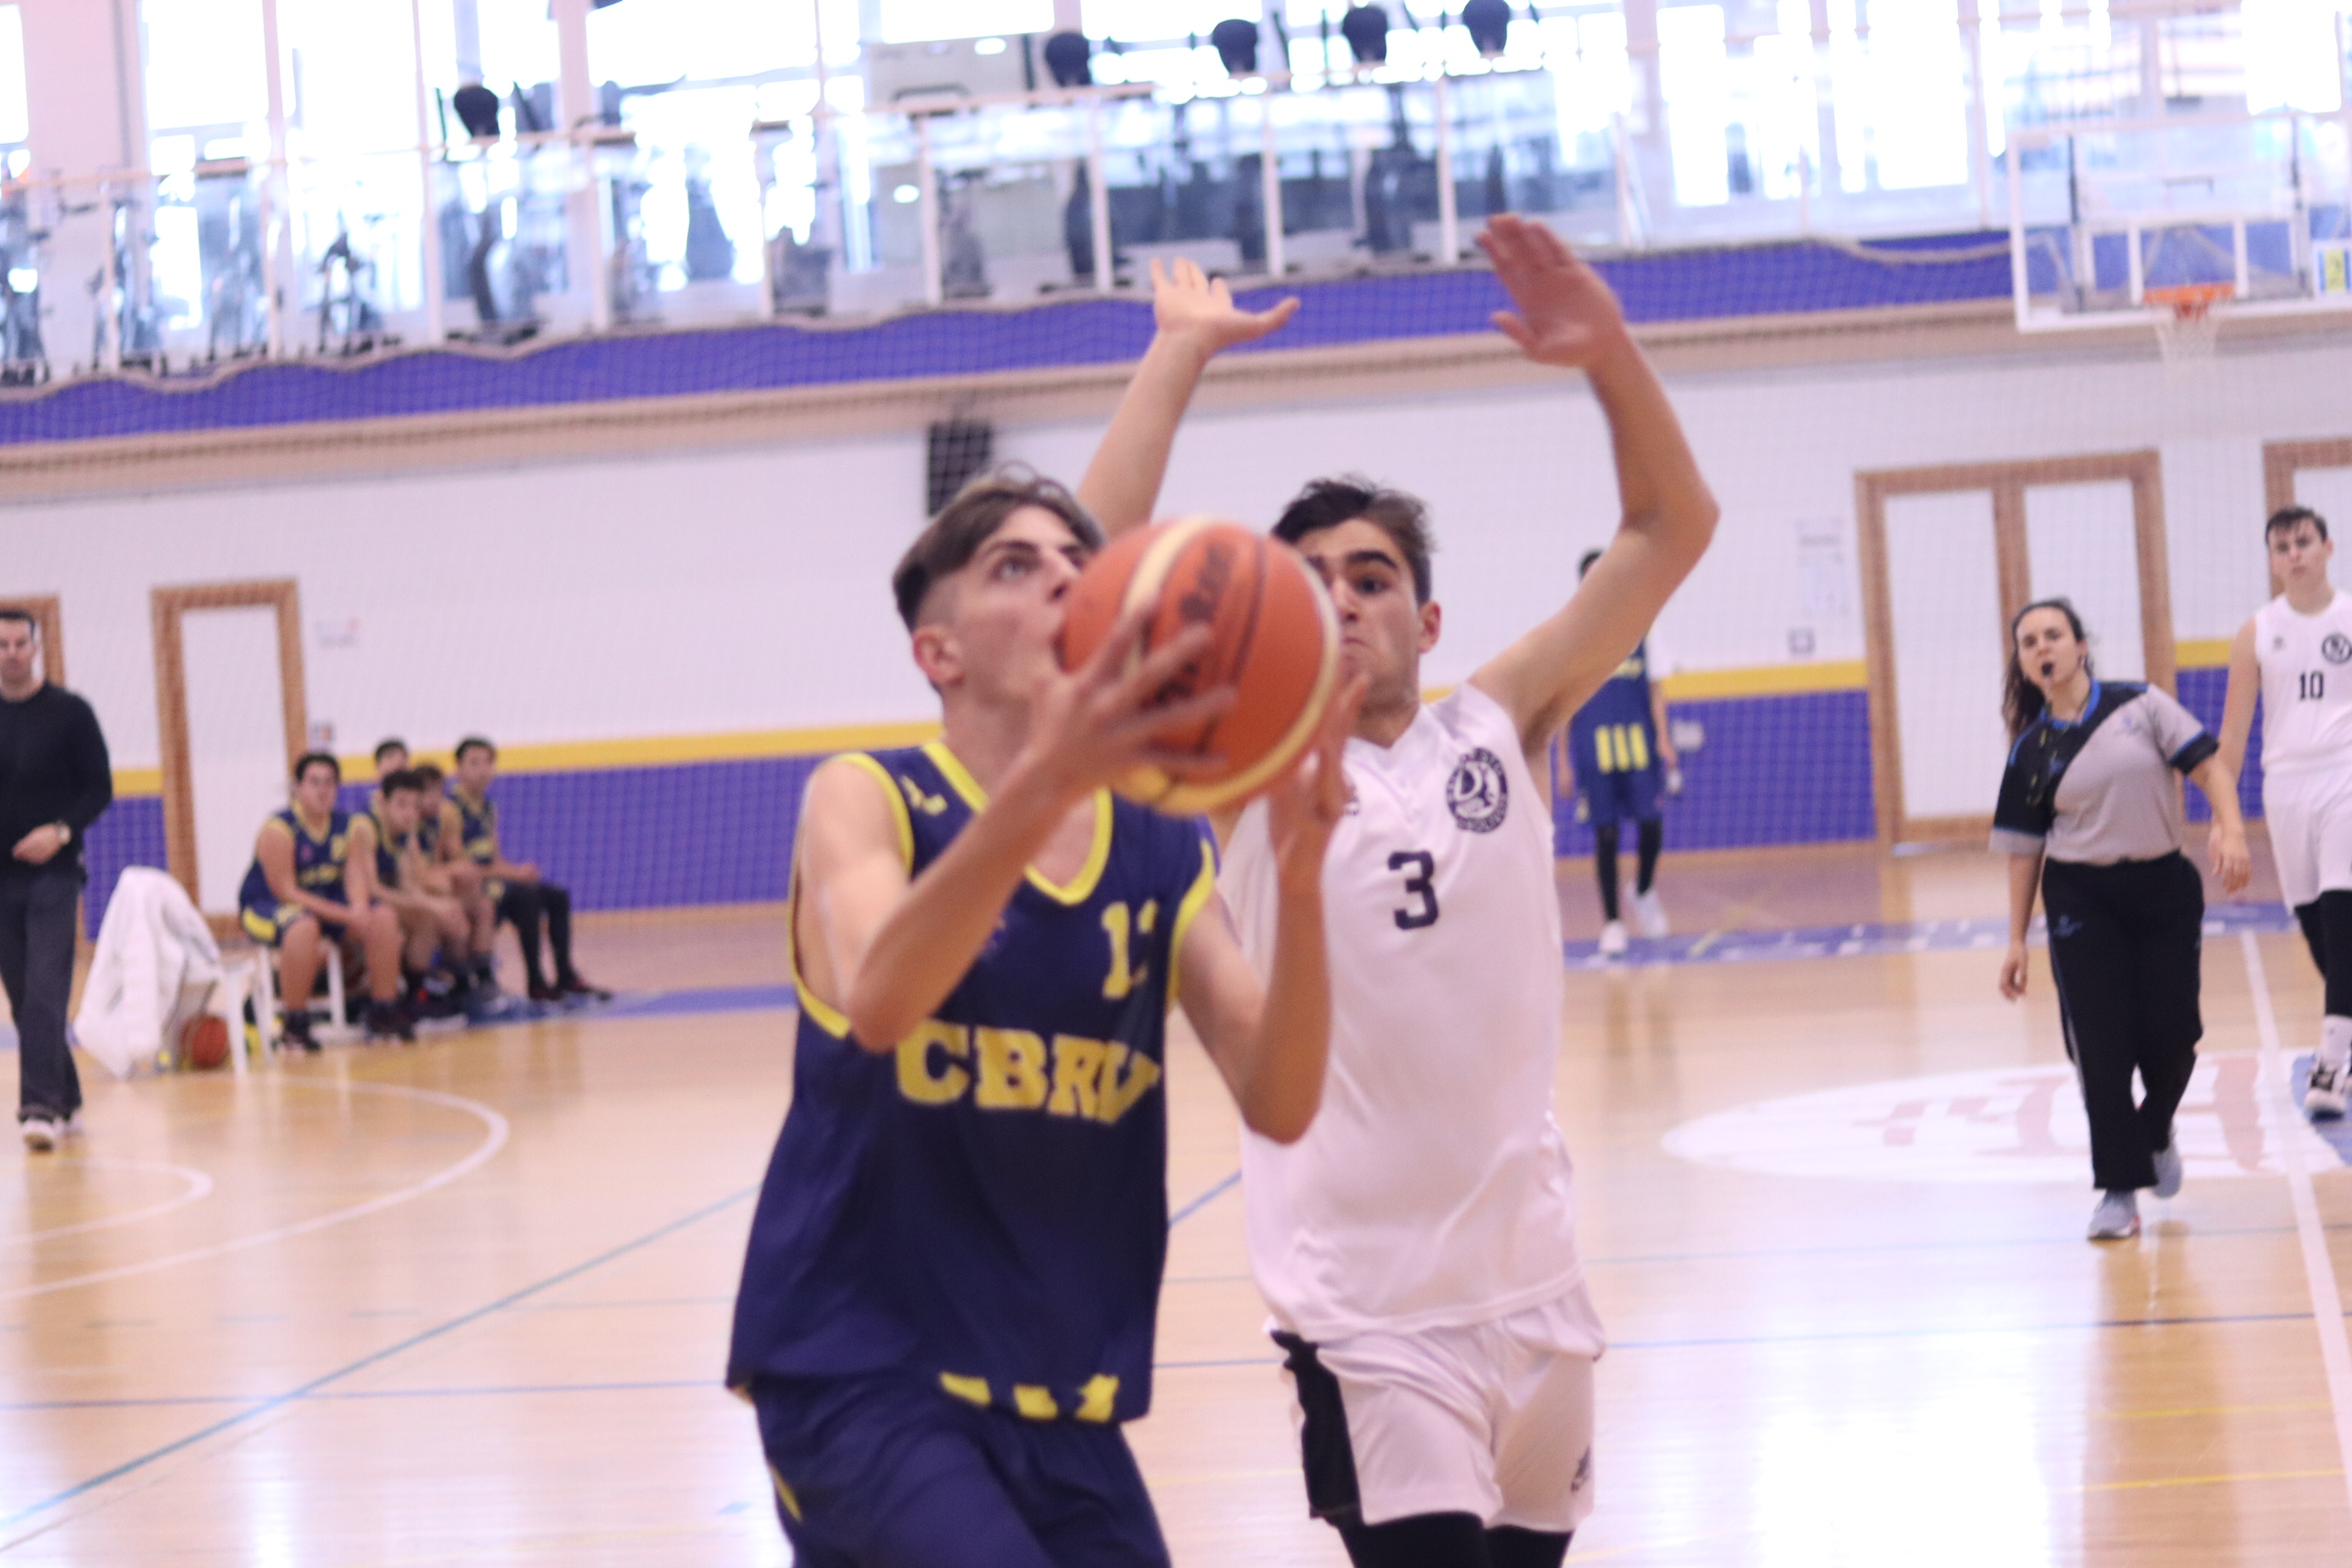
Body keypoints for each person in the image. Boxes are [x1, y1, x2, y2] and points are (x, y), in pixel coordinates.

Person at [1102, 219, 1716, 1568]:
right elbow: (1091, 591)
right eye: (1307, 583)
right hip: (1367, 1317)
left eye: (1370, 579)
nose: (1341, 601)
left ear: (1426, 623)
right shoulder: (1240, 768)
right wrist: (1178, 356)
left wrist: (1609, 354)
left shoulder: (1500, 719)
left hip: (1536, 1290)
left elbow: (1672, 529)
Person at [726, 271, 1347, 1568]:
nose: (1067, 580)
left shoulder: (1157, 848)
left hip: (1057, 1395)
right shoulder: (867, 798)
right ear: (938, 653)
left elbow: (1283, 1099)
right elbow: (884, 1000)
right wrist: (1048, 782)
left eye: (1081, 566)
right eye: (1017, 567)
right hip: (859, 1374)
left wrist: (1297, 878)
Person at [1994, 600, 2249, 1241]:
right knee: (2100, 1047)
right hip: (2081, 898)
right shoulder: (2029, 752)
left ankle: (2155, 1128)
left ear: (2081, 646)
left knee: (2175, 1033)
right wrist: (2016, 940)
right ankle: (2117, 1190)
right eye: (2029, 641)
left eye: (2053, 635)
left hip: (2162, 887)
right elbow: (2024, 853)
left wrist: (2232, 828)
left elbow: (2209, 767)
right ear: (2022, 663)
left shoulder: (2142, 705)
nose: (2043, 647)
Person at [2220, 505, 2352, 1118]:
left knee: (2343, 906)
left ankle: (2331, 1062)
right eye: (2282, 546)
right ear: (2272, 561)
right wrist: (2226, 822)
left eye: (2303, 541)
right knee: (2315, 922)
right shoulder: (2256, 631)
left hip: (2345, 774)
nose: (2294, 553)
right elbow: (2232, 737)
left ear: (2328, 547)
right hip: (2286, 788)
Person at [0, 609, 113, 1152]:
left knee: (47, 988)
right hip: (2, 880)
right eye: (2, 645)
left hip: (55, 875)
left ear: (36, 647)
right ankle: (66, 1097)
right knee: (23, 998)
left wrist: (61, 830)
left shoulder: (71, 713)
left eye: (20, 643)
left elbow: (100, 787)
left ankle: (38, 1108)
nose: (11, 653)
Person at [236, 752, 411, 1046]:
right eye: (314, 782)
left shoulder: (348, 825)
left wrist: (359, 909)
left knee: (382, 918)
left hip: (322, 903)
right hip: (265, 906)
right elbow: (286, 891)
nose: (322, 790)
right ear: (298, 787)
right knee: (303, 927)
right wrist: (346, 916)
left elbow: (355, 877)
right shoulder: (279, 829)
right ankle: (294, 1024)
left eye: (329, 783)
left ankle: (383, 1012)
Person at [1562, 548, 1678, 956]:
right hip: (1593, 746)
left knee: (1651, 824)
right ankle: (1612, 921)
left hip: (1639, 742)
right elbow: (1565, 704)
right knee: (1606, 834)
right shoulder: (1572, 635)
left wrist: (1664, 739)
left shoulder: (1644, 625)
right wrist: (1562, 761)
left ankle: (1642, 889)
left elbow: (1656, 689)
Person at [448, 737, 608, 1004]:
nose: (483, 769)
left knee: (556, 895)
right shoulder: (450, 809)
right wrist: (514, 874)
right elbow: (461, 867)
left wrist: (517, 870)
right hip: (470, 890)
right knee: (527, 896)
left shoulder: (488, 807)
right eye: (474, 763)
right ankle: (536, 980)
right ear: (458, 768)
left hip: (494, 884)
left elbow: (494, 859)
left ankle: (566, 974)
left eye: (487, 762)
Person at [348, 768, 471, 1018]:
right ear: (383, 802)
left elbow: (409, 885)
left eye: (415, 806)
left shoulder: (406, 832)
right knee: (413, 916)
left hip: (381, 903)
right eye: (402, 804)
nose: (410, 813)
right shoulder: (364, 827)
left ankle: (418, 995)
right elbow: (371, 889)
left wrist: (439, 904)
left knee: (428, 918)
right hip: (352, 905)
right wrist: (430, 905)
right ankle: (385, 1000)